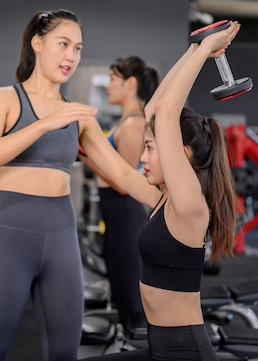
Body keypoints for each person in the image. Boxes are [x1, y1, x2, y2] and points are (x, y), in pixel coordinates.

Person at [0, 9, 162, 361]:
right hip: (10, 237)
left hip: (61, 241)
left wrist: (174, 202)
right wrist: (45, 123)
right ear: (38, 44)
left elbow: (122, 174)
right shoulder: (4, 98)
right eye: (63, 44)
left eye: (78, 48)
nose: (71, 56)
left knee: (64, 353)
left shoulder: (77, 116)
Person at [79, 20, 241, 360]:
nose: (143, 156)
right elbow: (149, 118)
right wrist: (194, 49)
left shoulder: (189, 204)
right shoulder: (163, 198)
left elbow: (165, 113)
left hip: (183, 352)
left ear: (181, 154)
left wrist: (207, 51)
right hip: (161, 347)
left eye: (150, 148)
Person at [90, 56, 159, 334]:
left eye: (112, 79)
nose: (108, 85)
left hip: (125, 216)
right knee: (120, 292)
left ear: (130, 83)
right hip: (116, 219)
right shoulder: (126, 122)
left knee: (131, 303)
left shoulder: (133, 125)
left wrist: (87, 154)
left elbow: (124, 182)